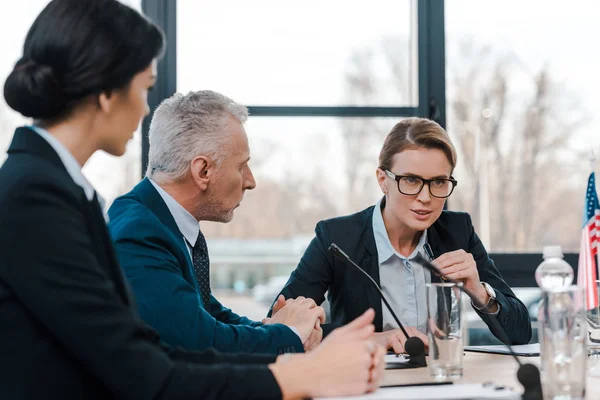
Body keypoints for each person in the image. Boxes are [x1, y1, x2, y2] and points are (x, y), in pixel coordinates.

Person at [0, 1, 384, 399]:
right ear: (107, 94)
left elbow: (153, 354)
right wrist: (304, 372)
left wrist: (299, 356)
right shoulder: (36, 196)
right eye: (145, 87)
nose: (146, 107)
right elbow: (146, 374)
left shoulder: (51, 187)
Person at [271, 117, 532, 352]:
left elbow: (520, 333)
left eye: (439, 182)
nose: (425, 197)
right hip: (364, 384)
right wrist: (376, 339)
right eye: (411, 180)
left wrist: (479, 291)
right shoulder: (336, 238)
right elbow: (279, 327)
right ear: (383, 180)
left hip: (440, 382)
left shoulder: (457, 231)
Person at [107, 90, 323, 354]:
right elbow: (197, 340)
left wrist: (277, 329)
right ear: (203, 171)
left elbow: (211, 316)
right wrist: (286, 333)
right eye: (241, 166)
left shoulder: (162, 222)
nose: (251, 181)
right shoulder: (139, 233)